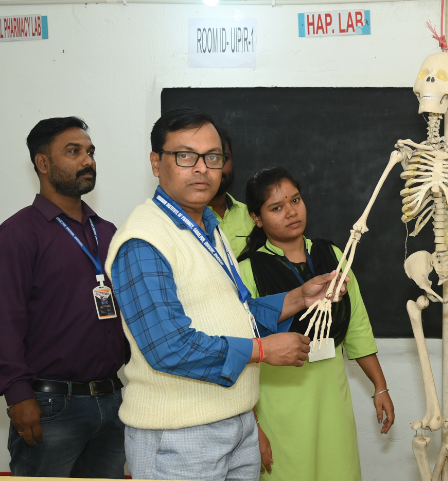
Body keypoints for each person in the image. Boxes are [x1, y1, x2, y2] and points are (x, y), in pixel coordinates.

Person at [106, 108, 348, 480]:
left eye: (213, 157)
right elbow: (169, 347)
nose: (202, 168)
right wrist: (263, 351)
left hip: (236, 423)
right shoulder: (144, 240)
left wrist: (299, 297)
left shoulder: (209, 226)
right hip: (180, 436)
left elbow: (239, 312)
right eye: (185, 156)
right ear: (156, 162)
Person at [237, 167, 395, 481]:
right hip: (278, 407)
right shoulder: (247, 270)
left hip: (332, 399)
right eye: (276, 207)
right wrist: (254, 427)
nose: (291, 212)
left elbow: (358, 327)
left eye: (295, 200)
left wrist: (380, 387)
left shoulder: (333, 254)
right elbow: (241, 353)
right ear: (257, 218)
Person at [0, 117, 129, 477]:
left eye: (90, 152)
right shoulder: (18, 233)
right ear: (43, 163)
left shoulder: (108, 232)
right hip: (50, 405)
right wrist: (18, 394)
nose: (88, 160)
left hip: (112, 401)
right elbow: (5, 318)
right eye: (73, 152)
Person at [207, 126, 254, 257]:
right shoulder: (186, 218)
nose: (218, 168)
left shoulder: (251, 216)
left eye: (224, 158)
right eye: (211, 158)